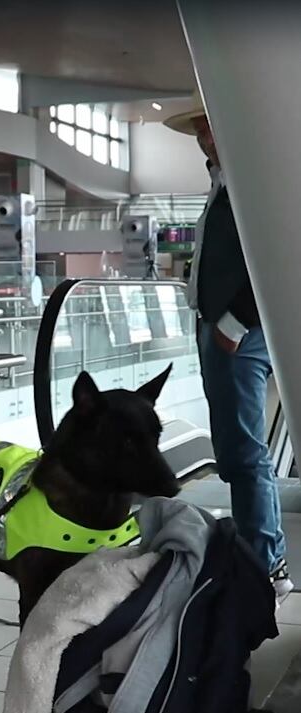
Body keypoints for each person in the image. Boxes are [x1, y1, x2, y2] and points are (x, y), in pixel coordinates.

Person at [166, 93, 294, 604]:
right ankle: (257, 554)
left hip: (237, 333)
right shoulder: (223, 183)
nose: (203, 136)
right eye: (198, 129)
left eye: (211, 126)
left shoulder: (252, 182)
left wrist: (235, 323)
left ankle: (265, 564)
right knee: (237, 451)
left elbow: (277, 251)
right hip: (217, 327)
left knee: (242, 454)